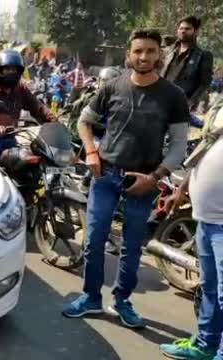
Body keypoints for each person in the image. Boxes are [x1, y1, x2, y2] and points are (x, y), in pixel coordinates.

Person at [62, 29, 189, 328]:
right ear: (129, 54)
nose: (144, 56)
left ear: (160, 55)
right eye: (138, 51)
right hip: (105, 174)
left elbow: (179, 147)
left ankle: (122, 301)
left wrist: (155, 177)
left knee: (132, 246)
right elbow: (84, 121)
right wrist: (91, 153)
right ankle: (91, 298)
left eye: (150, 51)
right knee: (93, 239)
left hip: (143, 181)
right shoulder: (112, 86)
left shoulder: (173, 96)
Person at [159, 97, 223, 360]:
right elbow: (206, 152)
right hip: (207, 219)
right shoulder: (219, 108)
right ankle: (206, 345)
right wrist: (184, 188)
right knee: (210, 287)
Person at [0, 49, 56, 161]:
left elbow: (38, 107)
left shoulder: (21, 89)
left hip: (10, 138)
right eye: (7, 69)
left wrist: (56, 122)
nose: (11, 73)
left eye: (14, 70)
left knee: (28, 160)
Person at [161, 16, 214, 111]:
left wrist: (191, 102)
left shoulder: (203, 55)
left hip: (181, 104)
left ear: (196, 32)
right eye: (181, 28)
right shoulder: (167, 52)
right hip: (160, 99)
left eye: (187, 28)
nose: (183, 31)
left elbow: (204, 83)